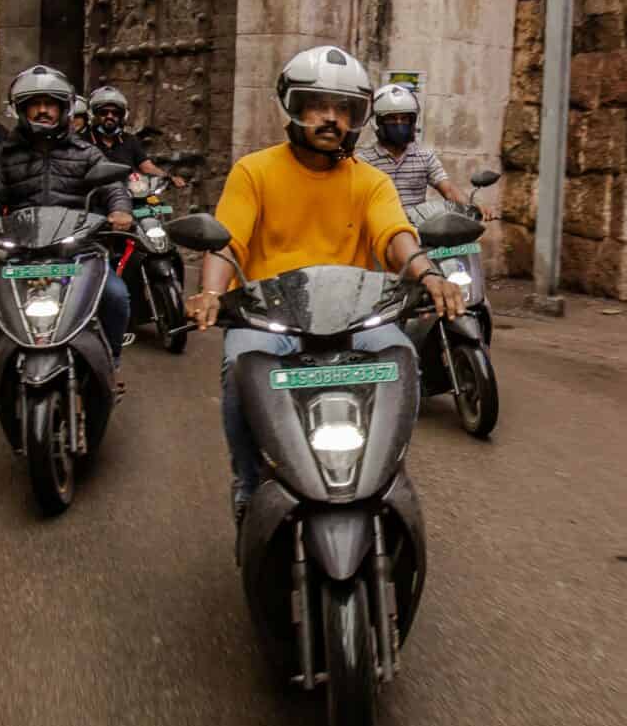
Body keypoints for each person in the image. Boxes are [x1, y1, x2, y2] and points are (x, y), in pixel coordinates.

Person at [183, 47, 466, 520]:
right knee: (239, 366)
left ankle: (385, 469)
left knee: (402, 358)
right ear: (292, 107)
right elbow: (226, 242)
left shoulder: (371, 182)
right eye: (318, 105)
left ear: (357, 118)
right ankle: (249, 480)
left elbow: (395, 236)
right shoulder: (253, 171)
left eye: (343, 109)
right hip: (269, 315)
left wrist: (430, 275)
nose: (330, 119)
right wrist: (212, 293)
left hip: (356, 315)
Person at [0, 65, 136, 370]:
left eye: (50, 104)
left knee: (115, 296)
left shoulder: (86, 153)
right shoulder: (5, 156)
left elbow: (112, 187)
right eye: (36, 104)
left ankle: (111, 364)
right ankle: (6, 354)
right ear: (22, 110)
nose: (43, 111)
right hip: (23, 257)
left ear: (64, 108)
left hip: (78, 253)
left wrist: (120, 210)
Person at [363, 83, 472, 214]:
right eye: (392, 118)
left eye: (404, 118)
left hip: (416, 230)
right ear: (379, 123)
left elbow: (448, 190)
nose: (399, 124)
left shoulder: (425, 156)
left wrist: (472, 208)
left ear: (413, 122)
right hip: (379, 231)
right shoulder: (364, 161)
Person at [86, 86, 187, 190]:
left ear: (122, 116)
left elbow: (147, 166)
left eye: (115, 113)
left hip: (127, 194)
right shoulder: (84, 140)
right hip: (93, 195)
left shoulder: (129, 140)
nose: (110, 116)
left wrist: (168, 177)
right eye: (104, 112)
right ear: (95, 115)